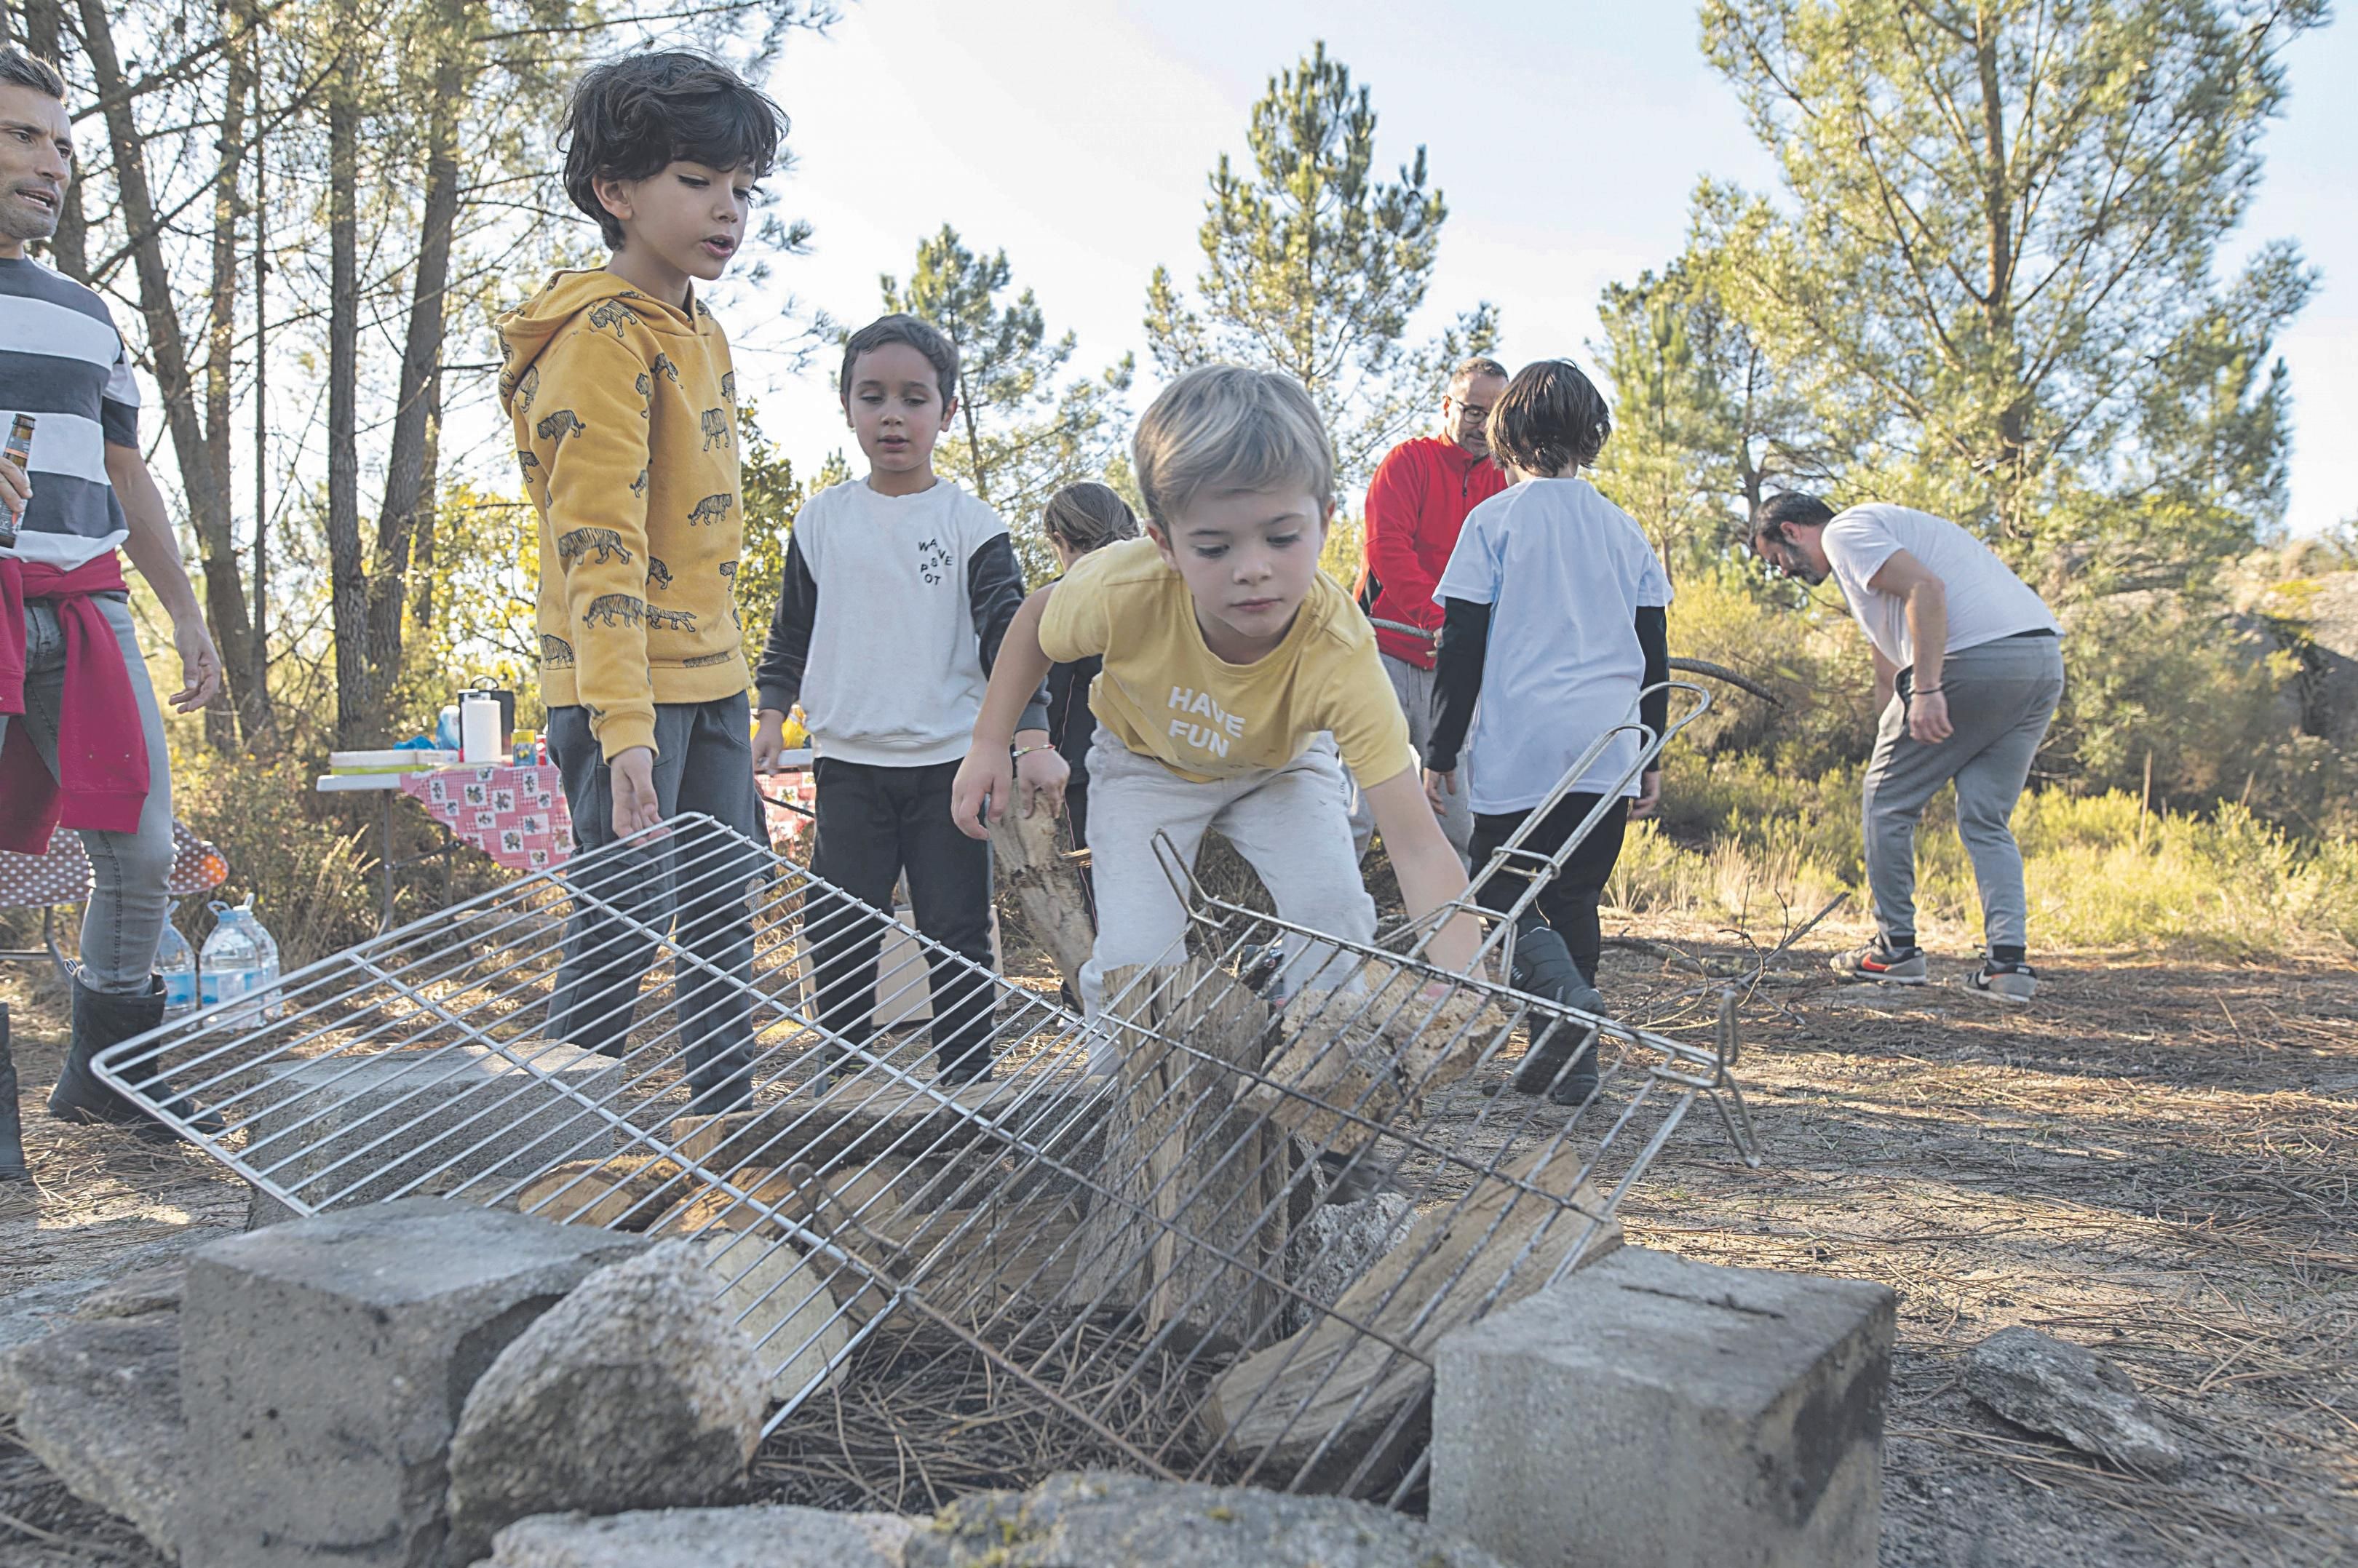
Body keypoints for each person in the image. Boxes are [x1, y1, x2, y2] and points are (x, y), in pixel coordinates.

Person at [949, 364, 1482, 1033]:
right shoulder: (1123, 585)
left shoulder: (1340, 650)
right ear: (1165, 544)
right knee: (1140, 958)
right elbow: (1033, 624)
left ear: (1324, 520)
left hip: (1280, 769)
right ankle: (1123, 1093)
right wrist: (989, 743)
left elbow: (1417, 842)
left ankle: (1320, 1082)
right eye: (1214, 545)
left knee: (1336, 915)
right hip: (1146, 763)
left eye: (1282, 537)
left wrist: (1466, 977)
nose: (1252, 566)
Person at [496, 52, 785, 1112]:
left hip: (707, 680)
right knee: (623, 918)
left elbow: (703, 541)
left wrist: (739, 692)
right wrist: (624, 726)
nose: (728, 209)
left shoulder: (698, 330)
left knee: (723, 921)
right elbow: (599, 542)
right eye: (697, 179)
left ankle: (730, 1133)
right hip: (623, 694)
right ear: (616, 192)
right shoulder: (598, 339)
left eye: (744, 188)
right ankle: (559, 1156)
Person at [0, 47, 226, 1164]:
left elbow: (128, 473)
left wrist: (184, 611)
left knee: (138, 851)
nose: (54, 164)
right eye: (24, 137)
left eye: (64, 144)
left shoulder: (88, 314)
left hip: (88, 611)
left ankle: (109, 1078)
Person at [753, 314, 1063, 1085]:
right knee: (840, 922)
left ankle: (967, 1082)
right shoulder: (822, 519)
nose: (893, 414)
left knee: (954, 926)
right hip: (849, 762)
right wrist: (769, 709)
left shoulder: (971, 524)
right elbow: (791, 628)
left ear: (946, 411)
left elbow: (1010, 640)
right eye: (873, 396)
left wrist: (1028, 737)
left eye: (914, 398)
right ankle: (846, 1069)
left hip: (951, 767)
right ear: (848, 407)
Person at [1425, 359, 1668, 1106]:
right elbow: (1652, 646)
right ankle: (1568, 1062)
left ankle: (1560, 997)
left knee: (1499, 887)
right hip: (1607, 739)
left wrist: (1440, 750)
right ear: (1591, 437)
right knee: (1576, 897)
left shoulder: (1494, 521)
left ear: (1507, 434)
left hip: (1523, 739)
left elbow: (1460, 643)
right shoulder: (1622, 528)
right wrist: (1651, 747)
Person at [1749, 493, 2063, 999]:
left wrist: (1930, 689)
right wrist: (1890, 736)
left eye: (1777, 559)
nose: (1784, 572)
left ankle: (1896, 950)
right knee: (1985, 816)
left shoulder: (1845, 532)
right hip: (2039, 660)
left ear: (1791, 530)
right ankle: (2007, 968)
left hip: (1970, 661)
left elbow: (1926, 589)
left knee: (1887, 803)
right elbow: (1886, 663)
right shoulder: (1876, 549)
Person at [1349, 356, 1512, 865]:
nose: (1482, 426)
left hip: (1457, 668)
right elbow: (1387, 548)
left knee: (1459, 810)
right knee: (1357, 807)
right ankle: (1324, 931)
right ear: (1447, 406)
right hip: (1386, 653)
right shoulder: (1406, 462)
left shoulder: (1507, 483)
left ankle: (1457, 933)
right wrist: (1441, 620)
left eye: (1494, 414)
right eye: (1472, 410)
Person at [1038, 481, 1140, 852]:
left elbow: (1051, 696)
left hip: (1087, 773)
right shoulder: (1156, 588)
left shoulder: (1063, 601)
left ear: (1059, 538)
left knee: (1103, 899)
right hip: (1172, 767)